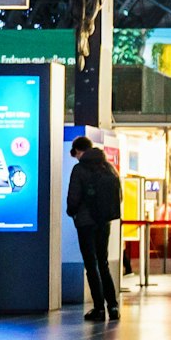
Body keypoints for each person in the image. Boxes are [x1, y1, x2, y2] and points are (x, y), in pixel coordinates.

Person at [66, 137, 122, 322]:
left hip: (85, 222)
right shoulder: (108, 167)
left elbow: (73, 198)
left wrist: (72, 212)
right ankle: (113, 306)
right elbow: (118, 196)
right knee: (103, 263)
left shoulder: (80, 169)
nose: (76, 158)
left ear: (80, 151)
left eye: (76, 154)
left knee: (91, 265)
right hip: (104, 222)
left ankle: (99, 309)